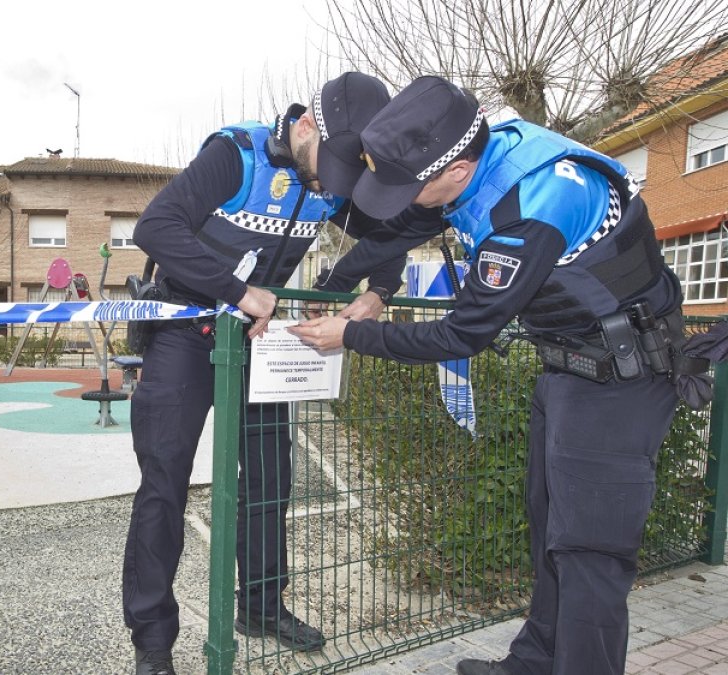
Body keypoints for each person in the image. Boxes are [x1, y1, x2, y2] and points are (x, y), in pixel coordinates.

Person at [287, 76, 690, 675]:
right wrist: (337, 285)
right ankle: (532, 664)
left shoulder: (533, 210)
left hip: (622, 382)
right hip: (571, 370)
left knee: (589, 555)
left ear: (456, 170)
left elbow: (462, 335)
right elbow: (404, 227)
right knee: (551, 528)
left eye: (407, 186)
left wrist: (352, 335)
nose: (401, 198)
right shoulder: (480, 153)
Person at [124, 72, 399, 675]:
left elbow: (392, 230)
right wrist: (236, 290)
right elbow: (156, 226)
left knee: (273, 478)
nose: (334, 186)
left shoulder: (332, 178)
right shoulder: (236, 155)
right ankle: (152, 639)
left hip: (258, 342)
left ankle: (262, 606)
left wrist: (377, 288)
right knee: (164, 482)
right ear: (306, 126)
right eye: (332, 167)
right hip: (185, 332)